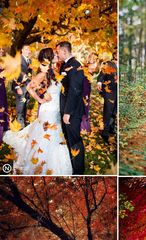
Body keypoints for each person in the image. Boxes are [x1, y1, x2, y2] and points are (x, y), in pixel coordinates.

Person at [3, 47, 72, 175]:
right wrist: (40, 99)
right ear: (50, 58)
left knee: (56, 135)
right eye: (55, 54)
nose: (57, 55)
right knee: (46, 136)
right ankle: (40, 162)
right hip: (48, 110)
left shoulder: (55, 72)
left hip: (56, 109)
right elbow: (29, 87)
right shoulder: (43, 74)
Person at [56, 40, 85, 175]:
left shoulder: (75, 65)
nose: (57, 54)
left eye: (58, 51)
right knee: (69, 139)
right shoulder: (65, 65)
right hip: (66, 108)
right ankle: (72, 165)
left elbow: (75, 90)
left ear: (64, 51)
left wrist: (68, 112)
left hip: (72, 111)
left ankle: (79, 171)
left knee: (75, 140)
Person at [97, 52, 117, 142]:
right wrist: (99, 81)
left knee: (114, 112)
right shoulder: (108, 64)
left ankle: (111, 129)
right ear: (115, 55)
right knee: (108, 111)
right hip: (109, 91)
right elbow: (101, 75)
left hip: (118, 91)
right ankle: (105, 132)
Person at [12, 45, 32, 128]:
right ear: (22, 50)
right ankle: (20, 126)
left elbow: (29, 74)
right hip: (20, 87)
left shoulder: (29, 61)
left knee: (25, 105)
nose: (28, 51)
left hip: (28, 87)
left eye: (29, 49)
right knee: (20, 107)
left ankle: (23, 123)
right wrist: (17, 87)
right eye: (26, 49)